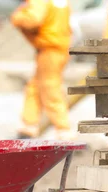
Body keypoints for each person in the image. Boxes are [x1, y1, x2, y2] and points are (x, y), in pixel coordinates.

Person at [12, 0, 73, 140]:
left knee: (50, 88)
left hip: (49, 49)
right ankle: (28, 127)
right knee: (35, 86)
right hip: (59, 48)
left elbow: (33, 20)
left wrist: (17, 17)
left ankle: (64, 130)